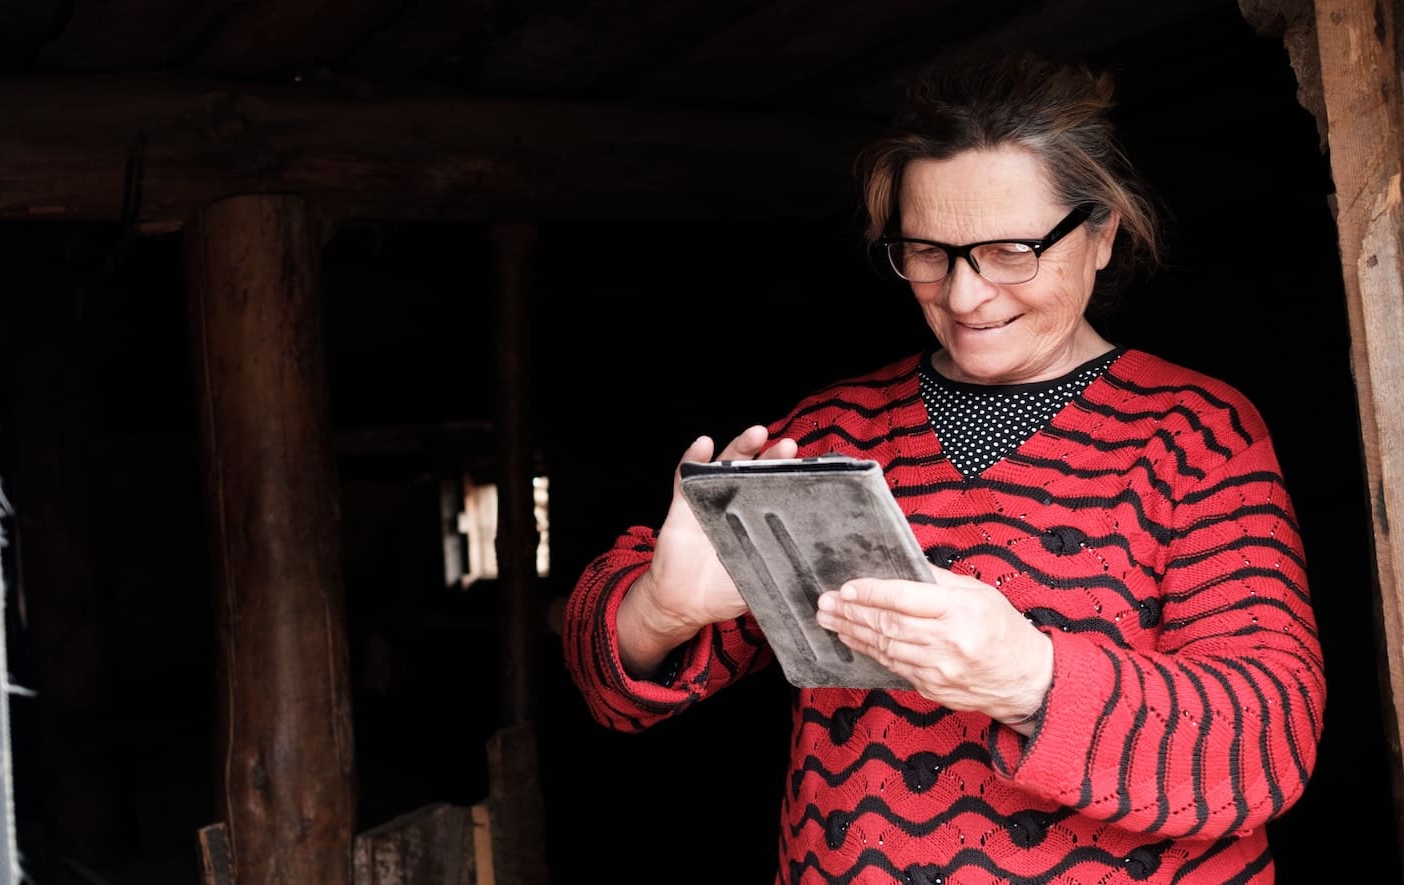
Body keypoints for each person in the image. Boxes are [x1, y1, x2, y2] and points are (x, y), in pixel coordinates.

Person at [561, 51, 1324, 883]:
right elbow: (606, 684)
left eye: (1008, 251)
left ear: (1100, 234)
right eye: (928, 251)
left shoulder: (1195, 434)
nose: (963, 296)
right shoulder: (831, 432)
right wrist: (660, 609)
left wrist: (1029, 677)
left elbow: (1270, 740)